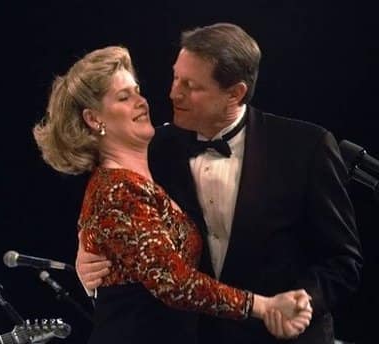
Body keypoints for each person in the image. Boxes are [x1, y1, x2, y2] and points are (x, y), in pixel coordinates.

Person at [76, 23, 363, 343]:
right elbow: (114, 218)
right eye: (175, 77)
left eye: (191, 85)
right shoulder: (151, 149)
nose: (173, 93)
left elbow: (343, 260)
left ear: (235, 93)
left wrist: (304, 300)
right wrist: (84, 254)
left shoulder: (306, 147)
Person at [33, 45, 313, 344]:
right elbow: (173, 281)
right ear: (93, 119)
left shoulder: (162, 160)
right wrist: (263, 306)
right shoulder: (116, 188)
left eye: (137, 91)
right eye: (124, 97)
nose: (142, 102)